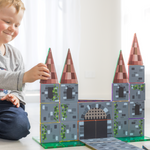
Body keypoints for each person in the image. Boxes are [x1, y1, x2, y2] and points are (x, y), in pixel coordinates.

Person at [0, 0, 50, 140]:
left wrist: (15, 96)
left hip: (5, 105)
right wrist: (24, 76)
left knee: (20, 125)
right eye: (7, 21)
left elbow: (21, 88)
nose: (12, 28)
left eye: (16, 25)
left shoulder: (15, 54)